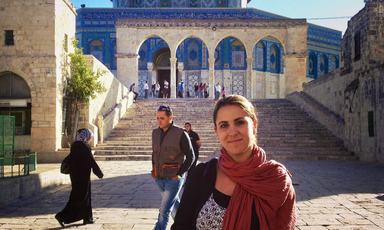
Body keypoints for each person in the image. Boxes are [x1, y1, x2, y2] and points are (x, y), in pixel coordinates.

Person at [172, 95, 296, 230]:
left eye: (240, 122)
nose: (232, 132)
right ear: (217, 132)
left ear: (254, 125)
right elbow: (181, 225)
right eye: (224, 125)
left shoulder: (276, 180)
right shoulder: (202, 174)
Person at [152, 105, 195, 230]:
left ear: (170, 117)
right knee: (174, 205)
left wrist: (180, 174)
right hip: (159, 177)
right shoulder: (155, 132)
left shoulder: (181, 133)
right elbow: (154, 153)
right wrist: (153, 169)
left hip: (173, 178)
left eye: (162, 118)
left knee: (164, 209)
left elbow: (191, 156)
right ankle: (185, 226)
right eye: (157, 118)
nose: (159, 121)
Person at [55, 129, 104, 228]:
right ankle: (62, 216)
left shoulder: (74, 145)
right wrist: (99, 173)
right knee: (79, 197)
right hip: (83, 175)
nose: (90, 140)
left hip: (74, 175)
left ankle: (87, 218)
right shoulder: (85, 147)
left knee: (84, 195)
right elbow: (91, 161)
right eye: (90, 138)